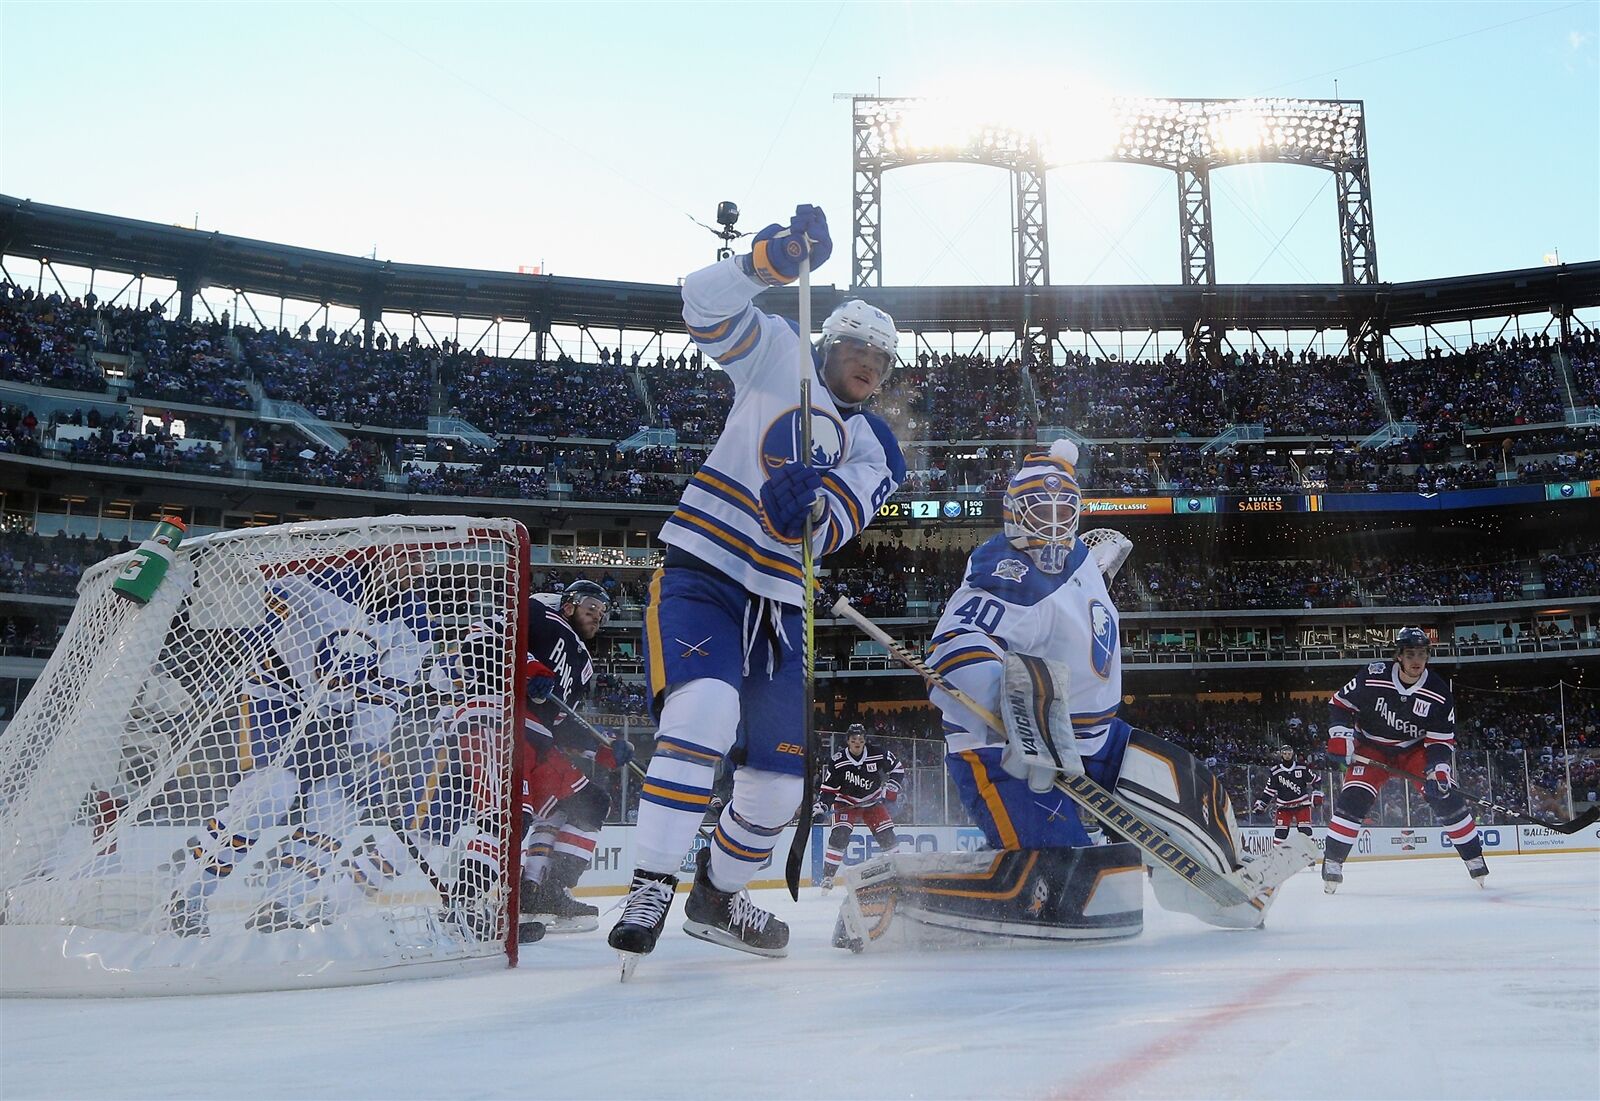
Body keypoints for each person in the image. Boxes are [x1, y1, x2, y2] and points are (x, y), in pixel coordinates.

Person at [852, 443, 1305, 948]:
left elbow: (1088, 572)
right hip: (1008, 751)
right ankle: (895, 895)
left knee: (1194, 789)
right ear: (1014, 510)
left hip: (1094, 734)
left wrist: (1103, 559)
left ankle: (1228, 888)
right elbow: (956, 650)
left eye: (1063, 509)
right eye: (1040, 509)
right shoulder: (1006, 572)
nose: (1053, 521)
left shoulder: (1081, 557)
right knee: (1072, 886)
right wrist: (1013, 709)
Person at [607, 203, 905, 969]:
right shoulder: (779, 352)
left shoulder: (876, 447)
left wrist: (806, 512)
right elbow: (702, 303)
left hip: (777, 604)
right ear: (829, 342)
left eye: (884, 354)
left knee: (776, 790)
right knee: (703, 709)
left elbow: (834, 524)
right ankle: (649, 882)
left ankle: (716, 894)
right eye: (859, 344)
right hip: (707, 570)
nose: (870, 359)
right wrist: (769, 260)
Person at [168, 552, 438, 935]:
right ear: (386, 552)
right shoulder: (317, 580)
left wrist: (363, 745)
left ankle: (279, 907)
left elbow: (385, 693)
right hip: (275, 701)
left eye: (427, 560)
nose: (421, 568)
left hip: (334, 722)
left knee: (336, 810)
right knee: (270, 793)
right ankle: (187, 898)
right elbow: (251, 615)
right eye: (414, 557)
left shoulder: (414, 621)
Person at [1322, 627, 1487, 893]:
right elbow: (1339, 704)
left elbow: (1440, 740)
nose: (1416, 661)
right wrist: (1341, 736)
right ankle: (1332, 862)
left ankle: (1474, 858)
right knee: (1353, 798)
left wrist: (1438, 771)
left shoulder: (1438, 692)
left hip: (1414, 750)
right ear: (1398, 656)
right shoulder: (1373, 675)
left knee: (1446, 797)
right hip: (1371, 748)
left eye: (1422, 654)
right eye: (1410, 654)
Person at [518, 580, 633, 935]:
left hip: (543, 742)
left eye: (602, 614)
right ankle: (496, 899)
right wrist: (530, 667)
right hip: (507, 726)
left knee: (591, 802)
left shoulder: (582, 666)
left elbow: (565, 721)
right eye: (590, 606)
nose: (597, 616)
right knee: (513, 816)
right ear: (568, 604)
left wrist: (603, 747)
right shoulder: (540, 613)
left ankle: (544, 890)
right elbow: (492, 638)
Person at [815, 724, 904, 892]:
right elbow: (828, 790)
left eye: (861, 740)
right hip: (845, 802)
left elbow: (898, 769)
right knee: (840, 836)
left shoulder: (877, 753)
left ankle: (899, 873)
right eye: (854, 740)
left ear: (865, 741)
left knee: (887, 837)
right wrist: (823, 804)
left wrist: (891, 788)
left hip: (872, 801)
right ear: (848, 741)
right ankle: (828, 877)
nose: (858, 743)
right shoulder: (838, 760)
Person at [1253, 744, 1322, 845]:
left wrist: (1317, 793)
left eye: (1289, 753)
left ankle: (1309, 858)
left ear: (1293, 754)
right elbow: (1269, 791)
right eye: (1285, 753)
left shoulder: (1302, 768)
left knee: (1305, 832)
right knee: (1280, 834)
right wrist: (1262, 804)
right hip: (1284, 807)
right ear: (1281, 755)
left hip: (1302, 805)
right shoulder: (1275, 772)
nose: (1287, 756)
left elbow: (1316, 780)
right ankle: (1277, 858)